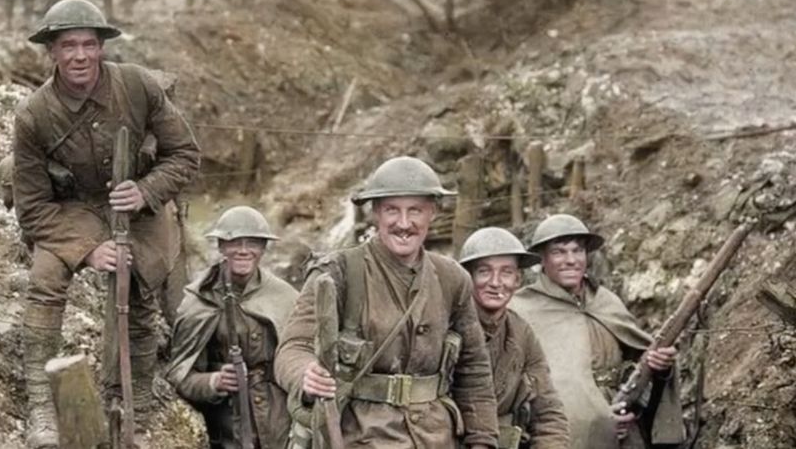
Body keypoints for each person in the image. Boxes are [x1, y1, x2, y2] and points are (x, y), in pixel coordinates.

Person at [11, 0, 200, 448]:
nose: (80, 56)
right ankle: (42, 407)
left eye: (89, 44)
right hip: (74, 209)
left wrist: (147, 191)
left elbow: (185, 154)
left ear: (101, 48)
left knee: (141, 280)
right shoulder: (34, 115)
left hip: (135, 200)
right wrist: (87, 250)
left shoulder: (137, 86)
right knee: (45, 276)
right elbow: (32, 208)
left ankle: (131, 403)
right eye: (68, 46)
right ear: (51, 53)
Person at [274, 156, 498, 449]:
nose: (404, 224)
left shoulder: (452, 279)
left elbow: (475, 373)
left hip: (437, 438)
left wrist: (482, 442)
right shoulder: (338, 272)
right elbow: (292, 348)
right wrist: (306, 374)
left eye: (415, 210)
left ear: (432, 213)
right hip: (357, 437)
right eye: (392, 210)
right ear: (376, 213)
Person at [510, 214, 686, 449]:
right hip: (563, 433)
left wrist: (659, 368)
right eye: (559, 252)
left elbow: (638, 366)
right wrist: (599, 418)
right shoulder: (522, 309)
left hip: (625, 426)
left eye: (577, 250)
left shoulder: (605, 301)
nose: (570, 260)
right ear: (542, 259)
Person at [166, 205, 298, 449]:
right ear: (221, 247)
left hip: (281, 423)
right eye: (234, 242)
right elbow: (179, 375)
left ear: (263, 248)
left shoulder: (285, 296)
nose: (244, 250)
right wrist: (214, 381)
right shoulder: (199, 301)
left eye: (253, 243)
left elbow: (302, 357)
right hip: (229, 429)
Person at [459, 227, 569, 449]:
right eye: (484, 271)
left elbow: (548, 412)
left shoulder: (521, 334)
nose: (496, 282)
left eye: (506, 273)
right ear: (467, 278)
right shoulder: (446, 326)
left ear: (518, 280)